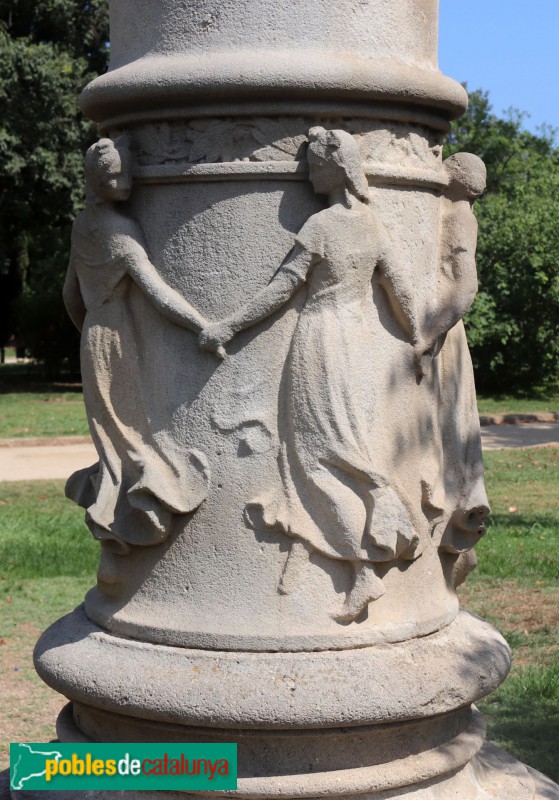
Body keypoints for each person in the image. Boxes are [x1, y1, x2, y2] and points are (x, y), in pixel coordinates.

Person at [200, 127, 423, 621]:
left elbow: (281, 289)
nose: (307, 172)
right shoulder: (373, 226)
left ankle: (363, 569)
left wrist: (227, 326)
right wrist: (418, 339)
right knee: (350, 448)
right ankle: (379, 518)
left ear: (335, 167)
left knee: (315, 459)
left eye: (314, 164)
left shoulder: (321, 225)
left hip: (321, 341)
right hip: (361, 345)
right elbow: (402, 290)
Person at [63, 136, 210, 553]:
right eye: (115, 175)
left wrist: (90, 332)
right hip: (119, 337)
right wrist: (200, 324)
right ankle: (138, 508)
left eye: (128, 171)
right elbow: (157, 292)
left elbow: (70, 297)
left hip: (94, 334)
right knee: (132, 433)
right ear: (96, 179)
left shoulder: (81, 225)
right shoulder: (121, 231)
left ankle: (117, 513)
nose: (125, 180)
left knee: (114, 435)